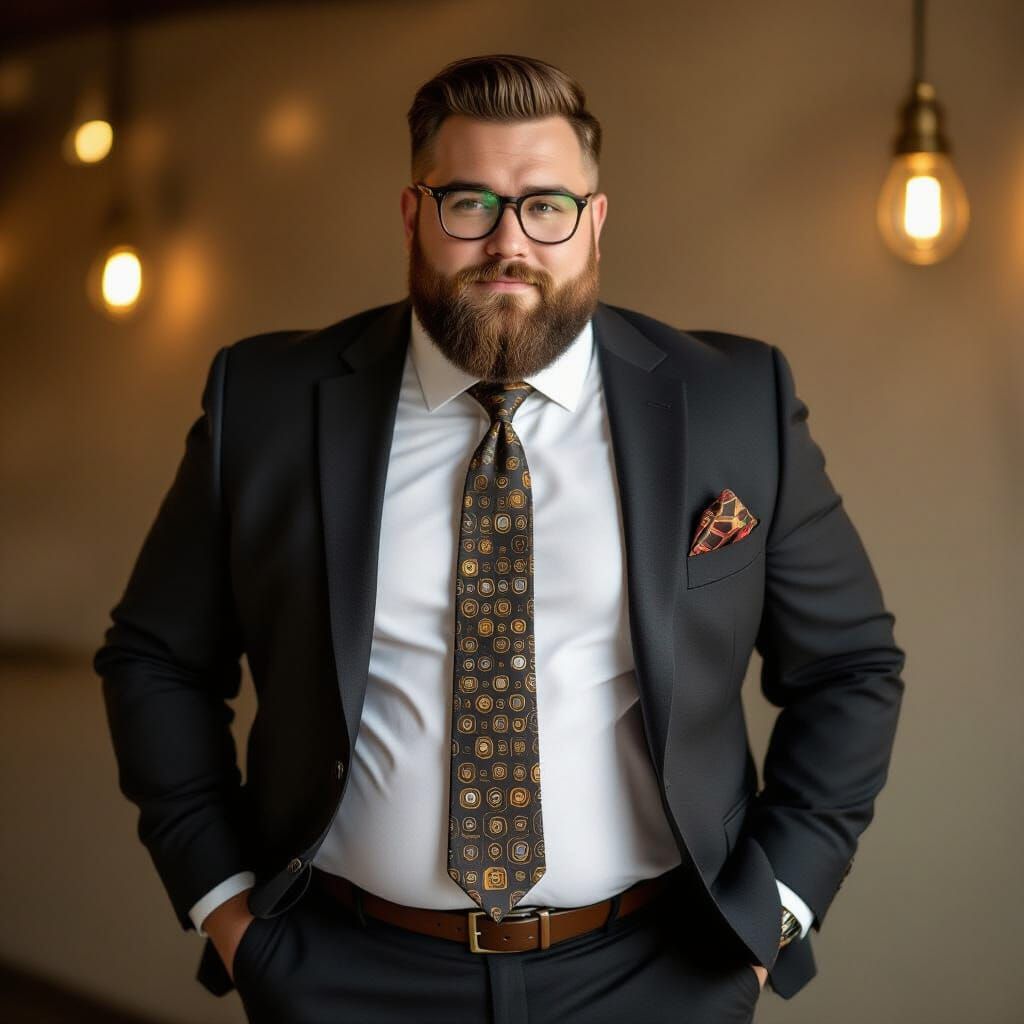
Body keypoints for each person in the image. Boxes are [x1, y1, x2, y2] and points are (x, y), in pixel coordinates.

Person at [94, 53, 906, 1024]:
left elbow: (850, 666)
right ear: (411, 214)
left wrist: (772, 921)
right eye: (468, 203)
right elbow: (154, 658)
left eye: (546, 205)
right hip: (345, 977)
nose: (508, 241)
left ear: (594, 220)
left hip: (656, 976)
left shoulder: (734, 401)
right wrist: (227, 907)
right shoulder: (264, 404)